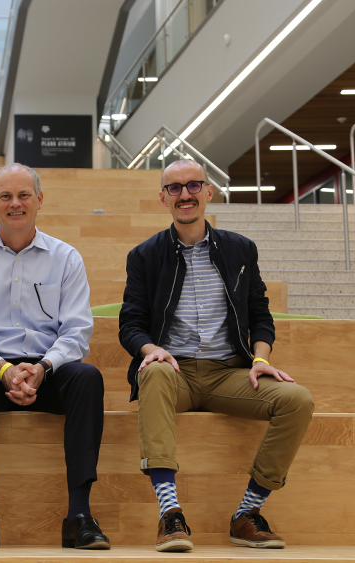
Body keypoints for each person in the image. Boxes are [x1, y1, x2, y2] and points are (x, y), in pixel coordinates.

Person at [118, 159, 314, 552]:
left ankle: (247, 513)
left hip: (230, 373)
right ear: (163, 198)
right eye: (174, 188)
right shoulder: (145, 255)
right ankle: (170, 515)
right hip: (175, 373)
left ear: (209, 192)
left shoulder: (240, 249)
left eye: (193, 186)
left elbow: (260, 315)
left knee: (297, 400)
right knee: (151, 372)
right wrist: (151, 349)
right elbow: (130, 323)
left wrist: (260, 358)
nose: (185, 194)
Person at [0, 163, 109, 551]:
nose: (15, 203)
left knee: (88, 378)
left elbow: (77, 331)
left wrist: (43, 367)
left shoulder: (66, 257)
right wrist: (2, 369)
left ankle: (80, 516)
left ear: (39, 200)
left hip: (49, 368)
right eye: (5, 196)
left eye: (23, 195)